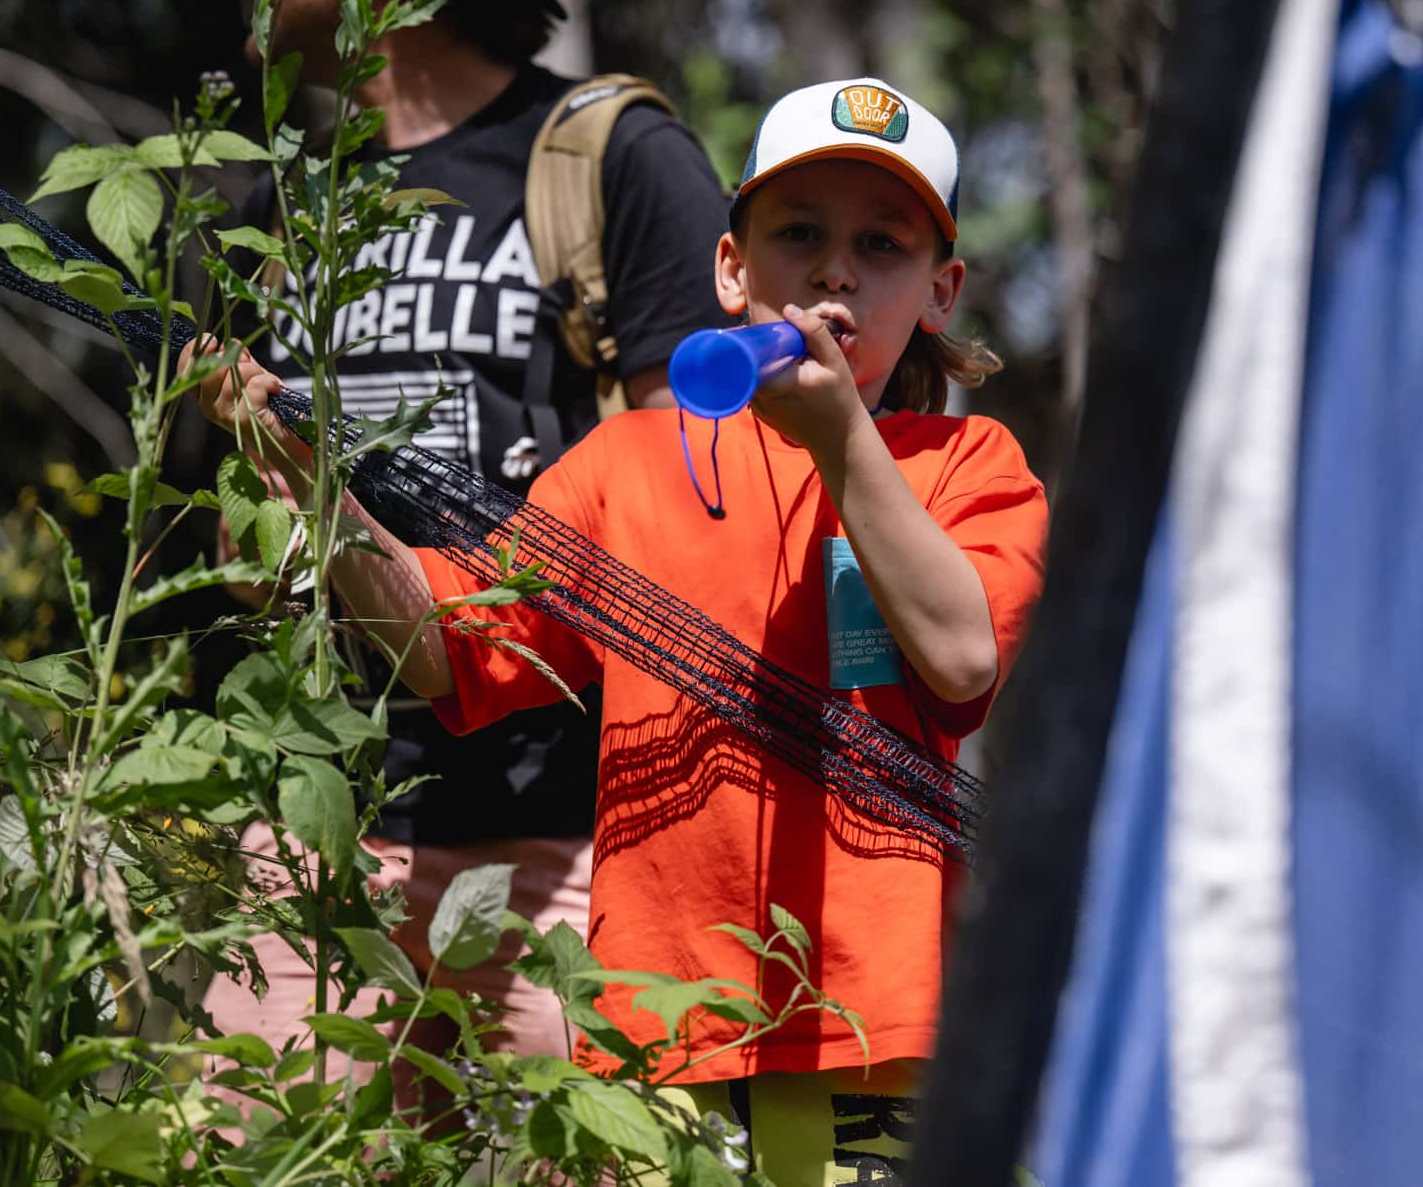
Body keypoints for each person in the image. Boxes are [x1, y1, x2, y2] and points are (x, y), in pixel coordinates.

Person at [189, 77, 1048, 1181]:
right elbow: (447, 646)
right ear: (731, 270)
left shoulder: (972, 467)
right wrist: (309, 481)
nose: (837, 270)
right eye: (798, 234)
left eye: (881, 245)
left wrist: (841, 439)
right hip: (654, 1037)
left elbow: (962, 658)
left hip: (875, 1028)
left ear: (940, 290)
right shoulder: (626, 467)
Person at [205, 0, 732, 1102]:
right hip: (324, 833)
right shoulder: (281, 208)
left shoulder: (611, 160)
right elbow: (244, 562)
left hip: (572, 829)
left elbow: (704, 495)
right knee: (256, 1157)